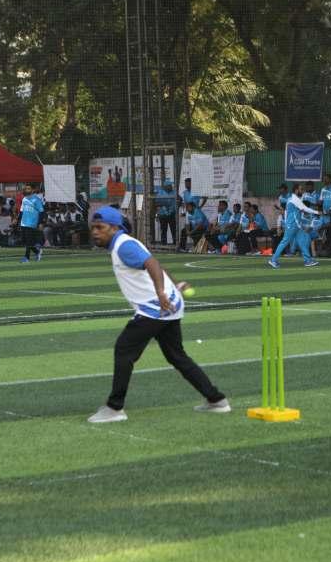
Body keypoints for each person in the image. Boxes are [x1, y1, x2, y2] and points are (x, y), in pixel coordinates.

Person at [85, 206, 230, 423]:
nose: (95, 232)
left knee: (124, 350)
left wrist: (162, 292)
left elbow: (152, 263)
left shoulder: (124, 245)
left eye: (100, 227)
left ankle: (114, 408)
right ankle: (216, 400)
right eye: (93, 227)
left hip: (155, 308)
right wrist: (175, 285)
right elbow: (155, 263)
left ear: (114, 228)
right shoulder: (124, 244)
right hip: (168, 306)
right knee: (176, 356)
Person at [268, 183, 321, 268]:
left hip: (296, 226)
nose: (302, 191)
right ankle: (273, 260)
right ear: (296, 190)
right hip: (292, 225)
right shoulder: (294, 199)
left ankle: (308, 261)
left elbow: (289, 211)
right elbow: (304, 208)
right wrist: (317, 212)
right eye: (301, 189)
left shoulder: (293, 198)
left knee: (302, 242)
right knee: (284, 242)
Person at [18, 184, 45, 263]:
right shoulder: (24, 199)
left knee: (28, 241)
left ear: (32, 190)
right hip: (23, 222)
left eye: (28, 188)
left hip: (32, 223)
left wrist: (40, 223)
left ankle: (26, 258)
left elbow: (41, 212)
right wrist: (18, 220)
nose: (26, 190)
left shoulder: (36, 200)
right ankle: (37, 252)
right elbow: (21, 211)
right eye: (26, 188)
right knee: (24, 241)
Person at [155, 180, 177, 245]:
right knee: (163, 230)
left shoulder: (174, 192)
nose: (171, 187)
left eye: (171, 185)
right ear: (165, 186)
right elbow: (156, 203)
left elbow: (179, 200)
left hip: (171, 214)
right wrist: (164, 204)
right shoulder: (160, 192)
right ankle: (164, 244)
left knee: (173, 230)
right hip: (163, 214)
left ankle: (175, 244)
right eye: (169, 186)